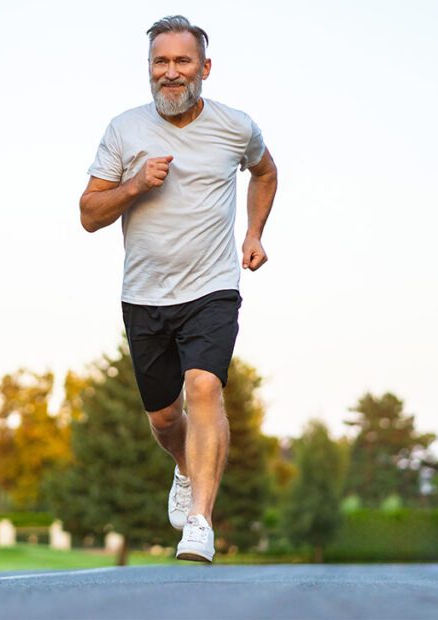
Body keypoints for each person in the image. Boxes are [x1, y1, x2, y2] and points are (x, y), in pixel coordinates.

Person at [79, 15, 278, 563]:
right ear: (149, 70)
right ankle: (185, 466)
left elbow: (265, 173)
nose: (171, 72)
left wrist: (254, 233)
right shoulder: (124, 131)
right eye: (160, 62)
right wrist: (135, 184)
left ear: (204, 68)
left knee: (205, 388)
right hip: (145, 295)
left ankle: (200, 524)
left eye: (182, 61)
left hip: (212, 288)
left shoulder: (235, 127)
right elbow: (88, 215)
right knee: (166, 419)